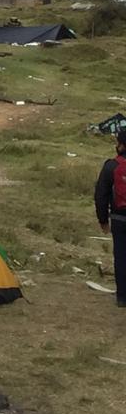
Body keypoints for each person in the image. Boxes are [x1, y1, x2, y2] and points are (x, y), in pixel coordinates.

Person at [93, 129, 126, 308]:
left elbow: (101, 195)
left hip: (119, 219)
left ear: (121, 144)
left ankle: (122, 297)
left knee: (121, 257)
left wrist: (103, 220)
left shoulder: (111, 166)